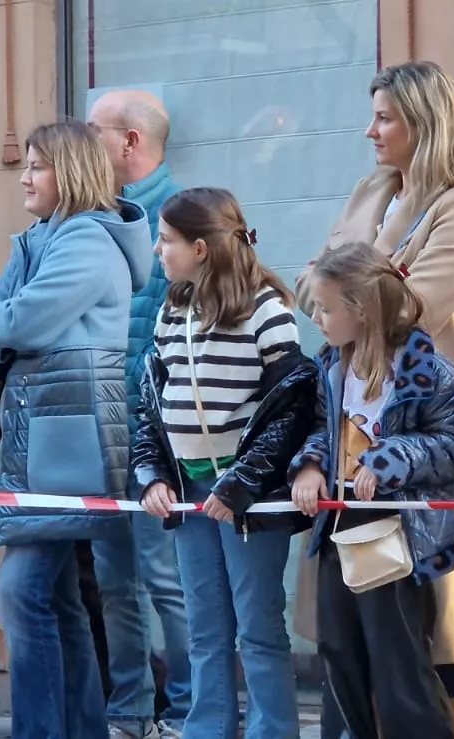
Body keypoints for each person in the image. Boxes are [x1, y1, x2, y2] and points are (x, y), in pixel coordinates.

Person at [297, 60, 454, 735]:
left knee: (441, 638)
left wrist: (349, 280)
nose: (371, 131)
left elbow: (413, 307)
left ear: (427, 121)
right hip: (350, 437)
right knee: (353, 644)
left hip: (430, 443)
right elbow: (313, 289)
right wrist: (353, 287)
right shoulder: (371, 189)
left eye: (385, 117)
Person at [0, 119, 152, 739]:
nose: (23, 176)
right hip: (38, 437)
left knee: (22, 594)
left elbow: (20, 323)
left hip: (71, 440)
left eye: (38, 165)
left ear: (69, 172)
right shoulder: (42, 238)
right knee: (61, 600)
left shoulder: (89, 241)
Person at [290, 242, 454, 739]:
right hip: (340, 521)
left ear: (361, 310)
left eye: (326, 307)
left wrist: (390, 458)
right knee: (338, 649)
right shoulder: (332, 366)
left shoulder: (429, 372)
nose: (317, 317)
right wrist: (312, 464)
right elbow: (324, 425)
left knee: (397, 657)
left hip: (395, 529)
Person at [134, 187, 315, 739]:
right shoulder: (171, 310)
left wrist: (242, 483)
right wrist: (153, 476)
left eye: (166, 241)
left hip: (249, 500)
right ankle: (207, 729)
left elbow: (290, 413)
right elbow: (152, 406)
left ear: (201, 248)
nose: (158, 251)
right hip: (190, 494)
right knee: (204, 627)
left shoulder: (267, 310)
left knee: (258, 626)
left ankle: (272, 731)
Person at [87, 88, 192, 739]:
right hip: (99, 428)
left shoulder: (181, 218)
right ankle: (129, 707)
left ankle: (187, 707)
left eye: (93, 131)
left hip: (156, 437)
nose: (82, 143)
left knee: (165, 578)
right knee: (113, 580)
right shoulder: (99, 218)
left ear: (130, 141)